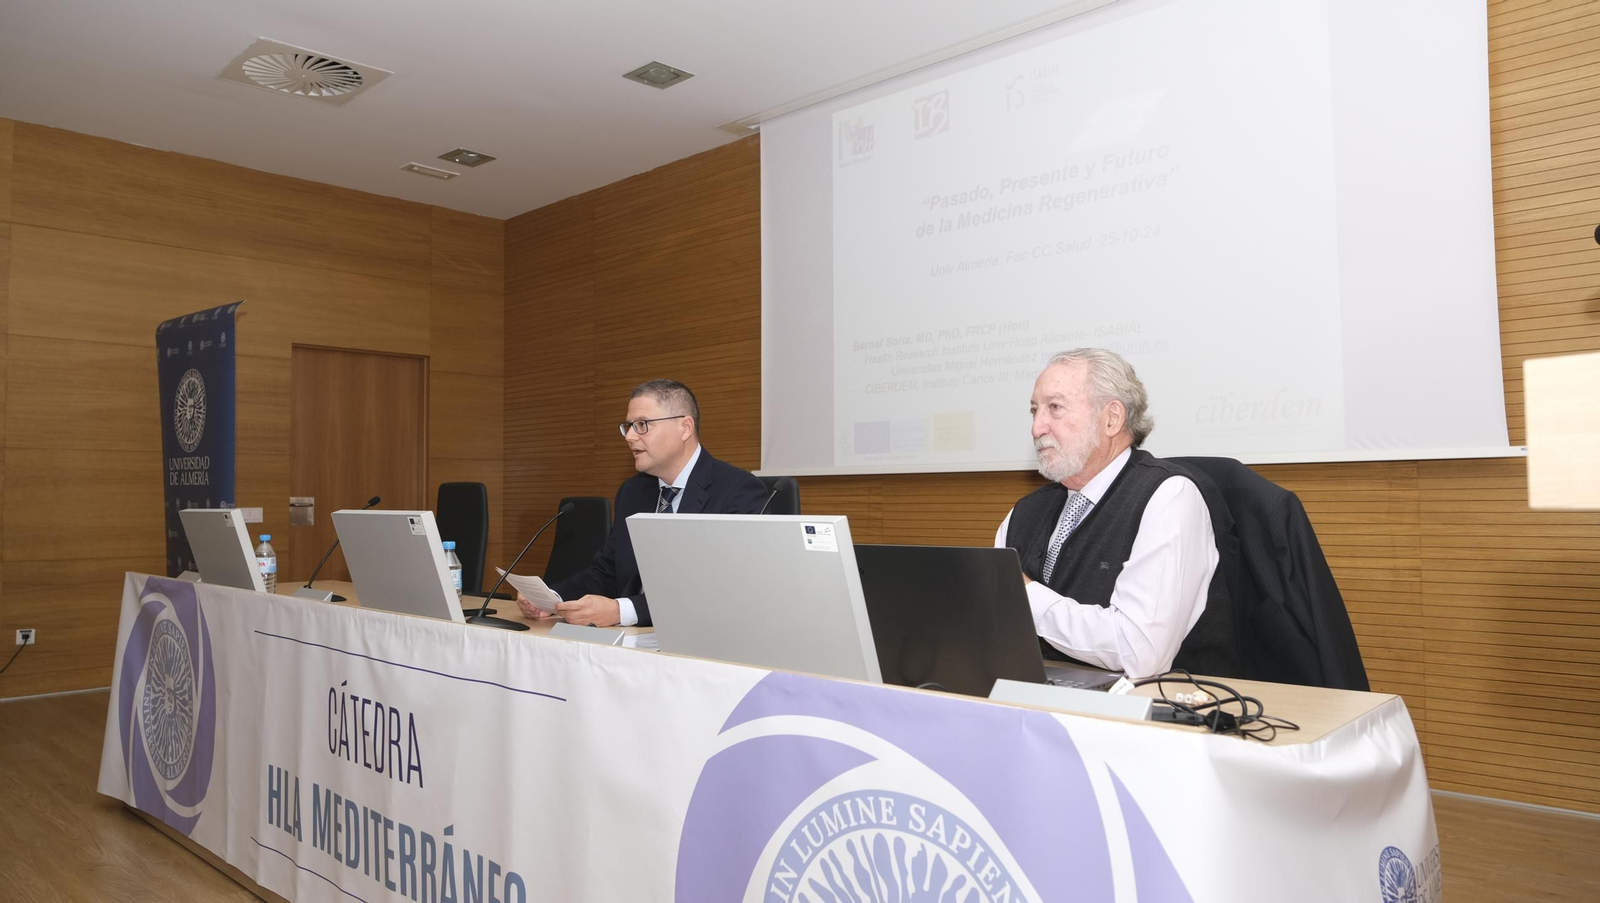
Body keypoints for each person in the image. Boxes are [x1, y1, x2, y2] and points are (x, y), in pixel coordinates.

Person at [996, 348, 1237, 679]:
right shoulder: (1022, 514)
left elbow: (1139, 650)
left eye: (1055, 408)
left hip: (1158, 713)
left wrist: (1025, 595)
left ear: (1111, 418)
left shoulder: (1169, 498)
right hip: (1037, 704)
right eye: (1034, 411)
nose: (1037, 427)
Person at [519, 379, 768, 627]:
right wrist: (552, 598)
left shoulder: (738, 491)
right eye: (628, 426)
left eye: (642, 425)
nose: (629, 436)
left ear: (685, 428)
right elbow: (607, 572)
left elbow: (721, 589)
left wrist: (622, 611)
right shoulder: (633, 491)